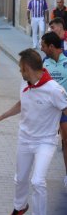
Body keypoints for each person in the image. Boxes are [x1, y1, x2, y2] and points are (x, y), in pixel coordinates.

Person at [0, 48, 67, 215]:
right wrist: (0, 117)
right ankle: (20, 206)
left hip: (45, 142)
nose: (20, 72)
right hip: (25, 139)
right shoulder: (25, 84)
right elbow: (22, 103)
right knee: (20, 179)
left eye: (21, 68)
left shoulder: (55, 90)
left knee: (38, 181)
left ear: (28, 68)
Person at [40, 32, 67, 190]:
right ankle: (39, 174)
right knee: (45, 142)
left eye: (43, 46)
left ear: (51, 46)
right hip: (48, 110)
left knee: (66, 142)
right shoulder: (45, 62)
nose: (41, 48)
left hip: (64, 109)